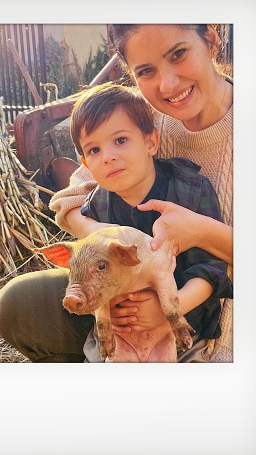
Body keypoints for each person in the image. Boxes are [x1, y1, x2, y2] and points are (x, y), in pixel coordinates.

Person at [0, 24, 233, 362]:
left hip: (203, 307)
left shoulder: (189, 186)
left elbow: (210, 270)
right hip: (117, 299)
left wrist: (202, 235)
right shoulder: (140, 118)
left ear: (210, 38)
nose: (168, 85)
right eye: (146, 70)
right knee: (17, 304)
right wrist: (110, 243)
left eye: (178, 54)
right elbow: (70, 200)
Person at [68, 82, 232, 362]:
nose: (108, 157)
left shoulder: (190, 190)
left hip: (185, 327)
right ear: (85, 162)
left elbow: (211, 269)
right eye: (94, 150)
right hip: (118, 331)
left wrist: (170, 308)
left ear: (151, 142)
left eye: (120, 140)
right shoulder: (97, 203)